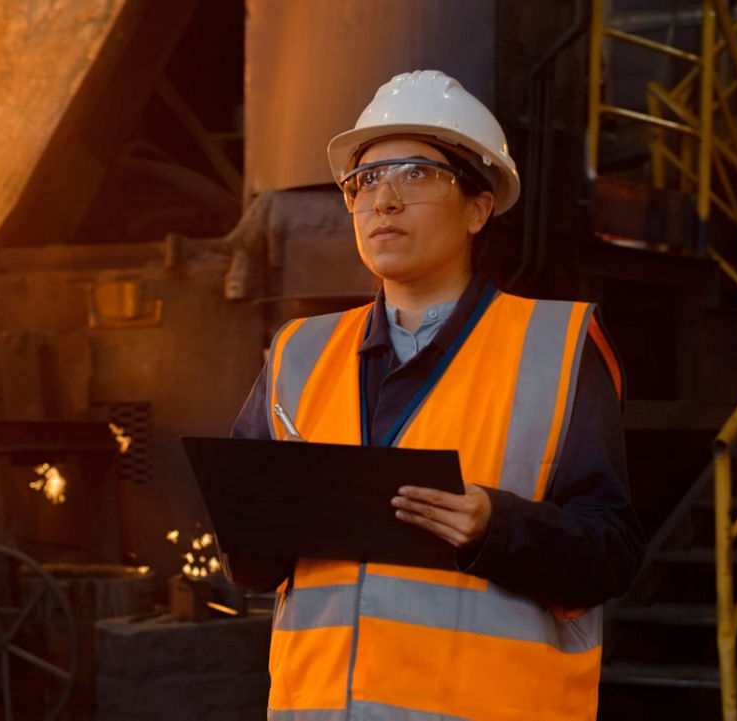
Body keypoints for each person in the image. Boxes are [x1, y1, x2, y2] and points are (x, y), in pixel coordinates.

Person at [225, 69, 642, 720]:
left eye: (415, 173)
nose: (382, 199)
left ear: (479, 208)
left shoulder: (554, 349)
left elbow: (608, 557)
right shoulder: (297, 355)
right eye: (363, 180)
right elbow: (250, 563)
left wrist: (494, 524)